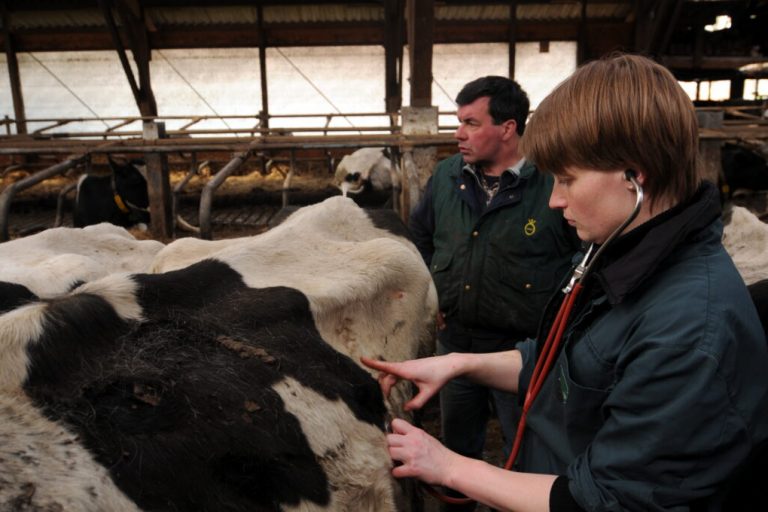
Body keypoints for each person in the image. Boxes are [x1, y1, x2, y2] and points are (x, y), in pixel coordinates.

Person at [364, 53, 768, 511]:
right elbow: (561, 361)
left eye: (567, 180)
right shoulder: (624, 253)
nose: (553, 200)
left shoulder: (689, 331)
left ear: (634, 177)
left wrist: (448, 466)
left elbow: (605, 501)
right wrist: (458, 363)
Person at [407, 75, 580, 508]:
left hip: (520, 355)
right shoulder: (448, 175)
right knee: (456, 446)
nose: (458, 134)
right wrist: (431, 294)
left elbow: (582, 260)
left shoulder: (550, 182)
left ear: (507, 128)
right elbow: (420, 237)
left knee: (523, 454)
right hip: (455, 346)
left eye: (470, 122)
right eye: (458, 121)